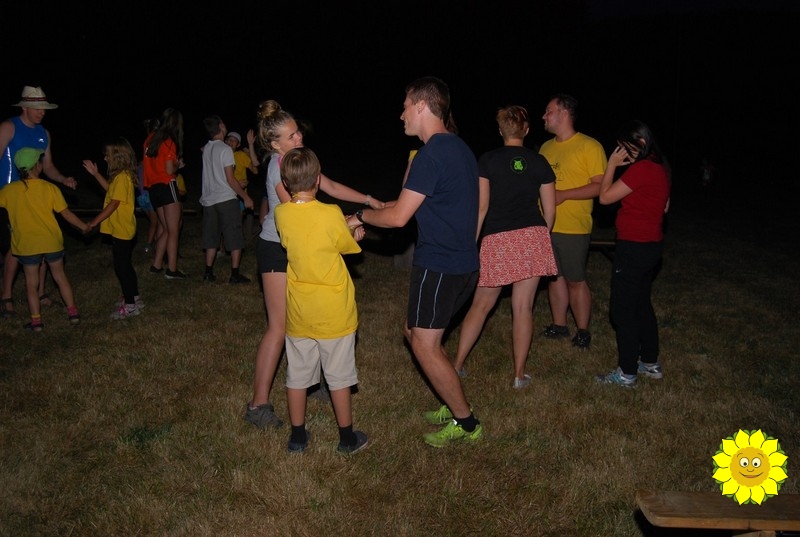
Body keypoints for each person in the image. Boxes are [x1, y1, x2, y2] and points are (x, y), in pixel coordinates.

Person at [345, 76, 482, 448]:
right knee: (415, 332)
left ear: (421, 105)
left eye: (405, 106)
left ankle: (467, 423)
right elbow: (410, 203)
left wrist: (360, 217)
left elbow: (398, 218)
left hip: (442, 265)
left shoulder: (430, 154)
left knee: (423, 343)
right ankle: (453, 403)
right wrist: (368, 211)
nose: (401, 114)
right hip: (461, 263)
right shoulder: (456, 148)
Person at [244, 99, 385, 429]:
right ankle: (258, 404)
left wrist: (367, 199)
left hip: (300, 244)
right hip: (277, 249)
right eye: (292, 136)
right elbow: (297, 213)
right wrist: (345, 223)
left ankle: (319, 382)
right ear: (275, 144)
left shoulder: (297, 162)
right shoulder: (277, 167)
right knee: (280, 327)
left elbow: (327, 185)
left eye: (298, 132)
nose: (299, 138)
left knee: (310, 313)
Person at [451, 105, 557, 388]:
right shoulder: (540, 162)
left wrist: (471, 242)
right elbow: (550, 211)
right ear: (527, 130)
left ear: (500, 131)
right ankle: (519, 376)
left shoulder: (487, 160)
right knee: (523, 308)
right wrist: (539, 239)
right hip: (532, 235)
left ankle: (457, 366)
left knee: (481, 305)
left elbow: (482, 207)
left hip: (498, 238)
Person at [274, 146, 368, 454]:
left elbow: (302, 236)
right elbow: (344, 244)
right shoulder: (330, 214)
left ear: (285, 183)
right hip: (333, 312)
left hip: (300, 311)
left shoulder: (281, 213)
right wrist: (354, 233)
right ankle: (347, 439)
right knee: (338, 377)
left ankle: (298, 437)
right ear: (317, 180)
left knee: (297, 375)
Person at [595, 120, 671, 388]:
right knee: (641, 303)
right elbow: (664, 207)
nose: (622, 152)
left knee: (623, 309)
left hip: (634, 247)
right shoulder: (660, 167)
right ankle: (650, 362)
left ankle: (627, 373)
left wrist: (612, 165)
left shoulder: (642, 169)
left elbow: (605, 197)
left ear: (640, 142)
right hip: (652, 246)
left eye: (625, 147)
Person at [1, 86, 78, 318]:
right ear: (25, 107)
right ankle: (6, 297)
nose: (42, 113)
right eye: (38, 108)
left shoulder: (44, 133)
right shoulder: (8, 127)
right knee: (16, 246)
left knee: (41, 242)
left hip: (35, 195)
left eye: (44, 109)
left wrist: (63, 179)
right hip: (10, 196)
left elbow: (48, 166)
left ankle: (41, 292)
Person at [538, 93, 607, 349]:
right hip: (546, 225)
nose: (544, 116)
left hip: (573, 227)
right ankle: (559, 325)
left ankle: (583, 331)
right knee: (554, 277)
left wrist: (564, 195)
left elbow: (600, 187)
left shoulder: (590, 146)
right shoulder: (545, 148)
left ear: (564, 113)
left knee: (575, 279)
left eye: (549, 111)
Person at [0, 148, 90, 331]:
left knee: (31, 283)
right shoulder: (50, 188)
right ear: (37, 166)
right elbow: (66, 214)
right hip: (51, 242)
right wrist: (84, 226)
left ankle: (36, 322)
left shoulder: (8, 191)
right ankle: (73, 313)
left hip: (27, 245)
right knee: (60, 276)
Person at [82, 137, 144, 319]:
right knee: (125, 265)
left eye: (107, 155)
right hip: (122, 228)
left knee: (122, 267)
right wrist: (96, 173)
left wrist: (94, 222)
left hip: (122, 230)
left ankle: (131, 305)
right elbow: (110, 190)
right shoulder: (121, 177)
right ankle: (134, 296)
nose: (105, 158)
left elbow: (114, 203)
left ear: (117, 156)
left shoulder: (123, 178)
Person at [199, 115, 254, 284]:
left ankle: (208, 272)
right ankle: (235, 275)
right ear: (221, 126)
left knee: (211, 237)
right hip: (225, 199)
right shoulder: (225, 149)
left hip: (209, 200)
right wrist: (245, 197)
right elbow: (230, 179)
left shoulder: (207, 148)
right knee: (234, 237)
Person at [143, 107, 187, 279]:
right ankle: (172, 270)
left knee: (167, 229)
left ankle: (156, 265)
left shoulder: (149, 139)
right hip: (167, 186)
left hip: (153, 188)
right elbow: (169, 170)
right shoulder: (169, 141)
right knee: (173, 229)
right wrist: (178, 165)